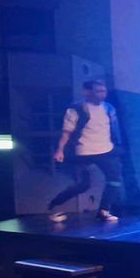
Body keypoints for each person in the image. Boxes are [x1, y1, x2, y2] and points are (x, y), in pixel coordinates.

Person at [47, 79, 123, 223]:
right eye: (98, 91)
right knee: (84, 185)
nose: (103, 94)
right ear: (87, 92)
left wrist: (117, 145)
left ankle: (104, 211)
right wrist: (60, 150)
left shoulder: (108, 108)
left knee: (115, 180)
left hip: (106, 150)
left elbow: (114, 129)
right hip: (85, 152)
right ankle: (55, 206)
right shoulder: (77, 108)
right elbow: (67, 132)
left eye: (104, 91)